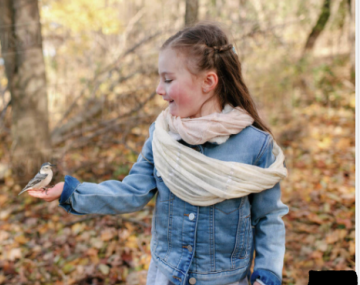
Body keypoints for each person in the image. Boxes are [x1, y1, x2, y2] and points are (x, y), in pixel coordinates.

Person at [28, 21, 289, 285]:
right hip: (166, 277)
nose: (158, 89)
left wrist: (267, 273)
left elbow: (269, 217)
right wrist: (71, 192)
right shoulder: (162, 137)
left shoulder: (256, 145)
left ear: (208, 81)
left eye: (168, 79)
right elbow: (132, 192)